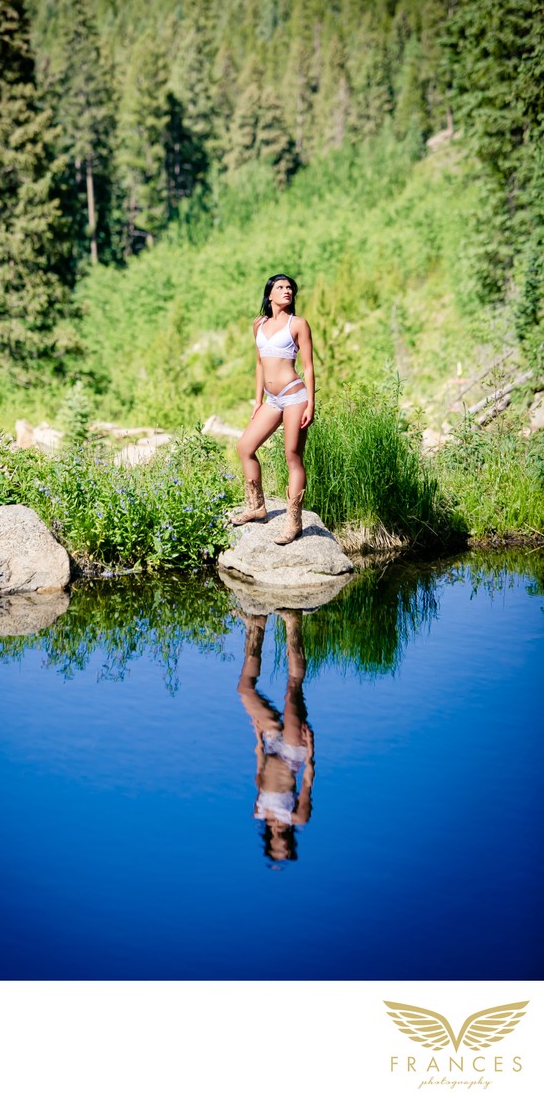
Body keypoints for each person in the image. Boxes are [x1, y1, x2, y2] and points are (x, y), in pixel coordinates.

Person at [231, 273, 314, 545]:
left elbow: (309, 367)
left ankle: (294, 523)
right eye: (280, 287)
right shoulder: (259, 325)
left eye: (290, 287)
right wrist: (257, 401)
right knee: (245, 447)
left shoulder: (298, 324)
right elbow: (259, 364)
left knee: (292, 455)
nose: (287, 291)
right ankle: (256, 507)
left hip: (294, 397)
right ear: (270, 295)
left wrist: (310, 402)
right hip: (271, 400)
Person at [236, 611, 314, 863]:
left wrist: (258, 737)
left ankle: (256, 623)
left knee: (245, 690)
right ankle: (293, 623)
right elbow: (307, 783)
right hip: (292, 751)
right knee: (293, 691)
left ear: (270, 844)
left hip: (270, 746)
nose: (285, 850)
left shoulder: (258, 812)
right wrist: (311, 750)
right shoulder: (298, 817)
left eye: (279, 852)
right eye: (287, 852)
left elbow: (259, 772)